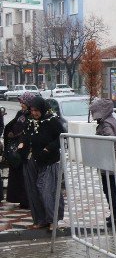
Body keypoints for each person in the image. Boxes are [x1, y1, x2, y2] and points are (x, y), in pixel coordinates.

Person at [18, 96, 65, 231]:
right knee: (33, 191)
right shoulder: (30, 120)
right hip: (31, 160)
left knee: (47, 190)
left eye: (36, 110)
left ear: (42, 109)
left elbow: (61, 136)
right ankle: (40, 220)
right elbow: (25, 135)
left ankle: (53, 220)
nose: (34, 113)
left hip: (48, 160)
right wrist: (22, 144)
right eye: (32, 110)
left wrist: (48, 148)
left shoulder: (51, 121)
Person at [89, 98, 116, 228]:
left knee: (110, 189)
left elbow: (109, 139)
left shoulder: (106, 124)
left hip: (109, 161)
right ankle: (115, 213)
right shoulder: (110, 120)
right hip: (110, 161)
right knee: (111, 188)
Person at [4, 92, 34, 210]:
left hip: (25, 151)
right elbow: (11, 126)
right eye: (20, 102)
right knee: (17, 177)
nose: (21, 104)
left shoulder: (31, 115)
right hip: (16, 151)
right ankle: (20, 199)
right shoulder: (20, 114)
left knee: (25, 176)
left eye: (23, 102)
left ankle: (27, 201)